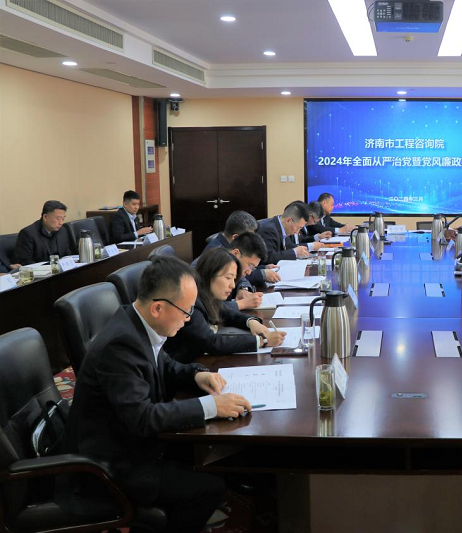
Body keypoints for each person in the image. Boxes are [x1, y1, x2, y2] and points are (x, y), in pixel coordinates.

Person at [56, 256, 254, 532]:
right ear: (158, 307)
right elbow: (142, 418)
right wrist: (210, 406)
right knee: (210, 486)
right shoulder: (119, 346)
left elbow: (164, 364)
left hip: (132, 443)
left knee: (210, 456)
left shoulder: (136, 321)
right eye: (186, 311)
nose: (188, 319)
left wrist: (197, 374)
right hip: (112, 464)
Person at [164, 248, 285, 364]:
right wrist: (261, 341)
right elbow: (211, 343)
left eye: (234, 279)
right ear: (210, 274)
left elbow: (226, 312)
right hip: (183, 366)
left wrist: (251, 322)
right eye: (228, 278)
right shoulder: (192, 301)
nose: (233, 285)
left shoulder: (207, 294)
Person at [15, 200, 75, 265]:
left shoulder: (63, 231)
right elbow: (26, 262)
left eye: (63, 219)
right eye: (58, 218)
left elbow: (66, 254)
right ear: (45, 217)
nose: (61, 223)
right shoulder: (28, 234)